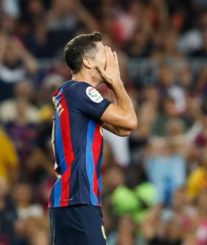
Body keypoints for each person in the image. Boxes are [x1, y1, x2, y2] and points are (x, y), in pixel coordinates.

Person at [49, 32, 137, 245]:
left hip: (69, 198)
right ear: (88, 62)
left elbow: (123, 130)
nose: (109, 57)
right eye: (103, 52)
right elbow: (130, 121)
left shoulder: (72, 95)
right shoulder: (80, 90)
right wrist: (116, 82)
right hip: (79, 197)